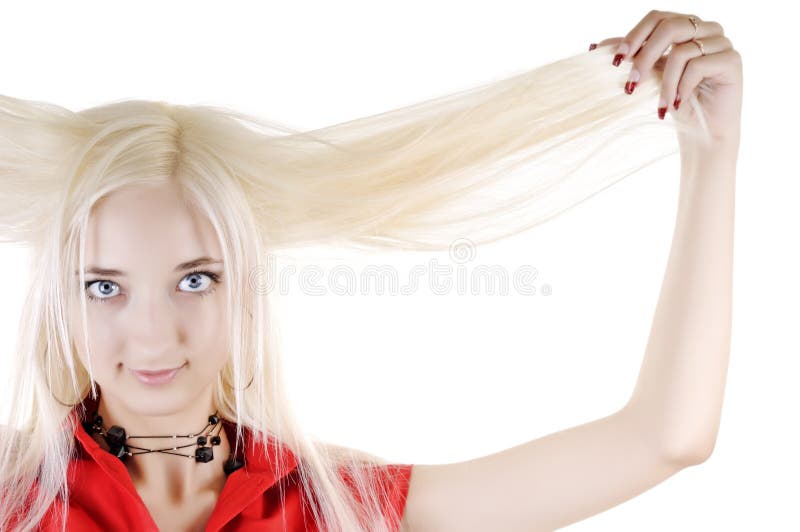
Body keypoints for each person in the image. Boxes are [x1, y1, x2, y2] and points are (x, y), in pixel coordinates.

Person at [0, 8, 741, 531]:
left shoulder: (339, 507)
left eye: (195, 279)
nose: (153, 334)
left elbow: (664, 440)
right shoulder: (13, 497)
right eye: (105, 287)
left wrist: (712, 154)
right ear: (58, 301)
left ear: (248, 292)